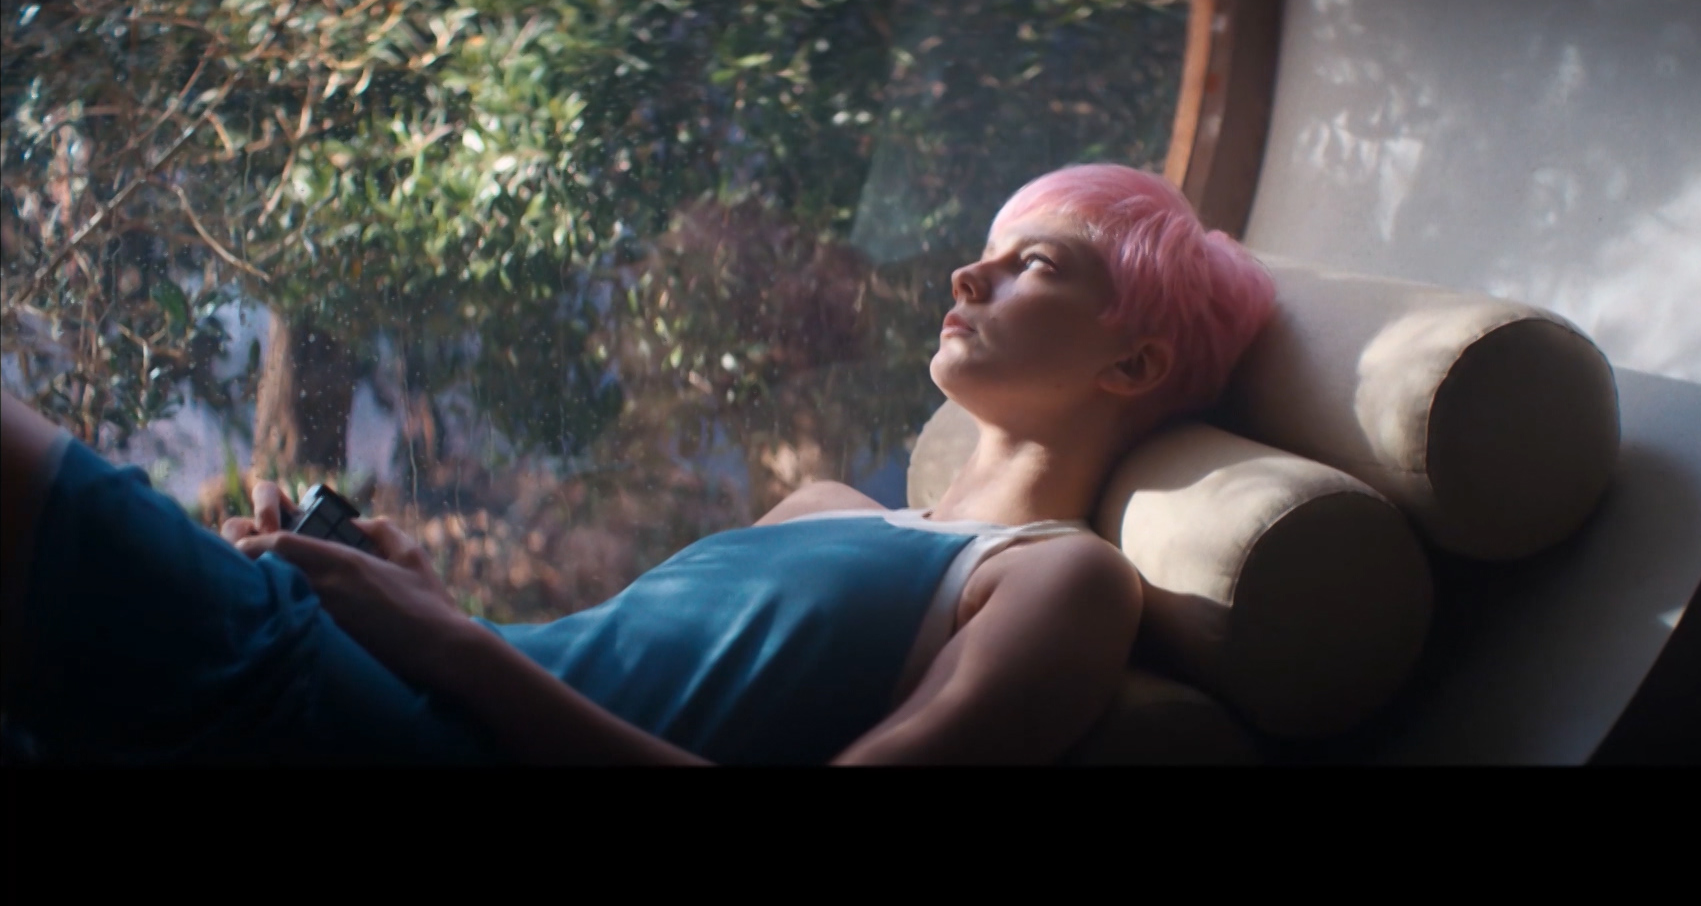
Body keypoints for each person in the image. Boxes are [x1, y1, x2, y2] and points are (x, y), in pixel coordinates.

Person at [0, 164, 1275, 765]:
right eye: (989, 245)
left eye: (1035, 264)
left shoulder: (1059, 581)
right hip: (399, 686)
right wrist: (426, 606)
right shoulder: (830, 503)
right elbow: (611, 669)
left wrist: (448, 650)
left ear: (1134, 363)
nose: (967, 273)